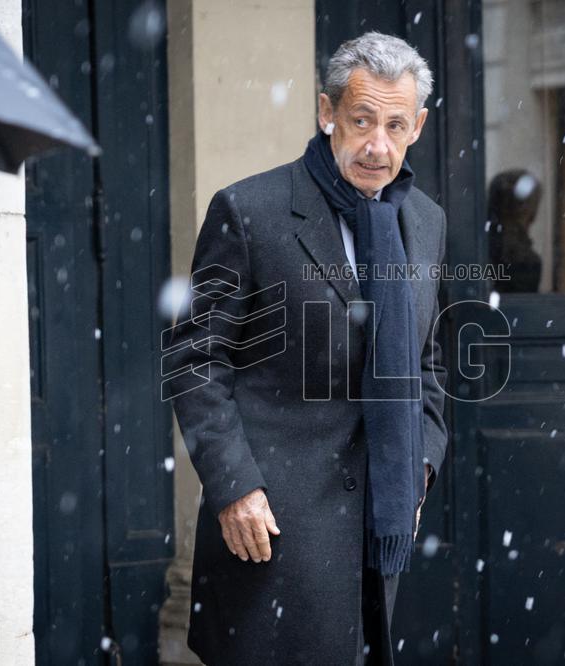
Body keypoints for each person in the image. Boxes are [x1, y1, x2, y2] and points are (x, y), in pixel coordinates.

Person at [165, 31, 449, 666]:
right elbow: (195, 359)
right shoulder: (249, 210)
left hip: (381, 522)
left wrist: (420, 462)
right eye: (361, 120)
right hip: (273, 525)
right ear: (327, 114)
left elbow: (427, 361)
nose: (379, 145)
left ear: (419, 126)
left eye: (396, 125)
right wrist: (233, 487)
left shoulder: (425, 220)